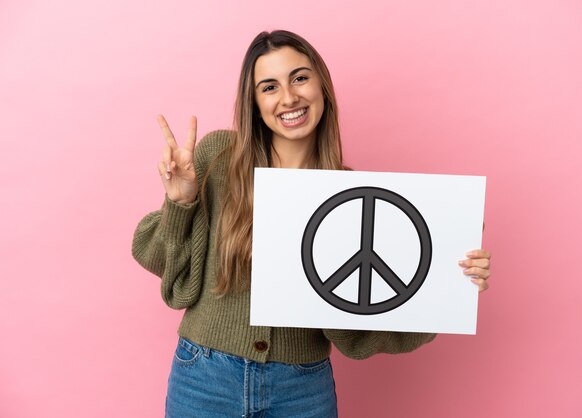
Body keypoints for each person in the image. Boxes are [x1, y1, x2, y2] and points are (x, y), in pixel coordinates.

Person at [132, 29, 491, 418]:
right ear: (254, 102)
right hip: (205, 377)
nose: (289, 97)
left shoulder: (353, 197)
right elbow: (161, 261)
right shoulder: (218, 157)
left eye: (300, 77)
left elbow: (364, 323)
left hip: (301, 389)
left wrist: (450, 284)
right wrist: (181, 201)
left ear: (322, 85)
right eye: (269, 87)